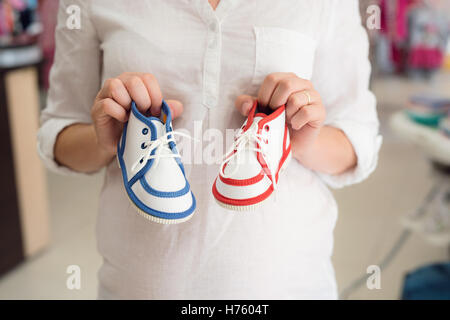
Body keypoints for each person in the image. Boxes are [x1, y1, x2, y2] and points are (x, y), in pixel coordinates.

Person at [38, 0, 382, 299]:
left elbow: (358, 141)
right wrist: (105, 140)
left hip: (290, 284)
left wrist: (304, 141)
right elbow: (58, 133)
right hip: (135, 286)